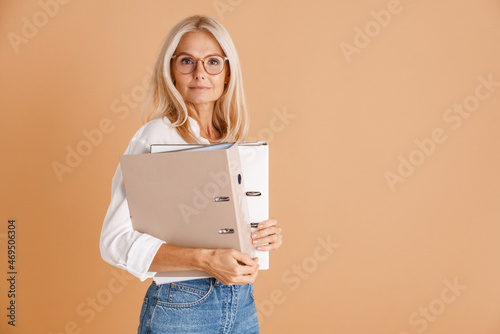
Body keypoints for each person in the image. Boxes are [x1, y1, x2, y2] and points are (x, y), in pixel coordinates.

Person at [99, 15, 283, 333]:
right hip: (183, 307)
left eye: (212, 62)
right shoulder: (156, 136)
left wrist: (262, 237)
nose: (200, 73)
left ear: (227, 73)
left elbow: (227, 233)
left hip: (243, 303)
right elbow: (114, 242)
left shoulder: (233, 140)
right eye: (187, 61)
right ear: (171, 70)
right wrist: (205, 259)